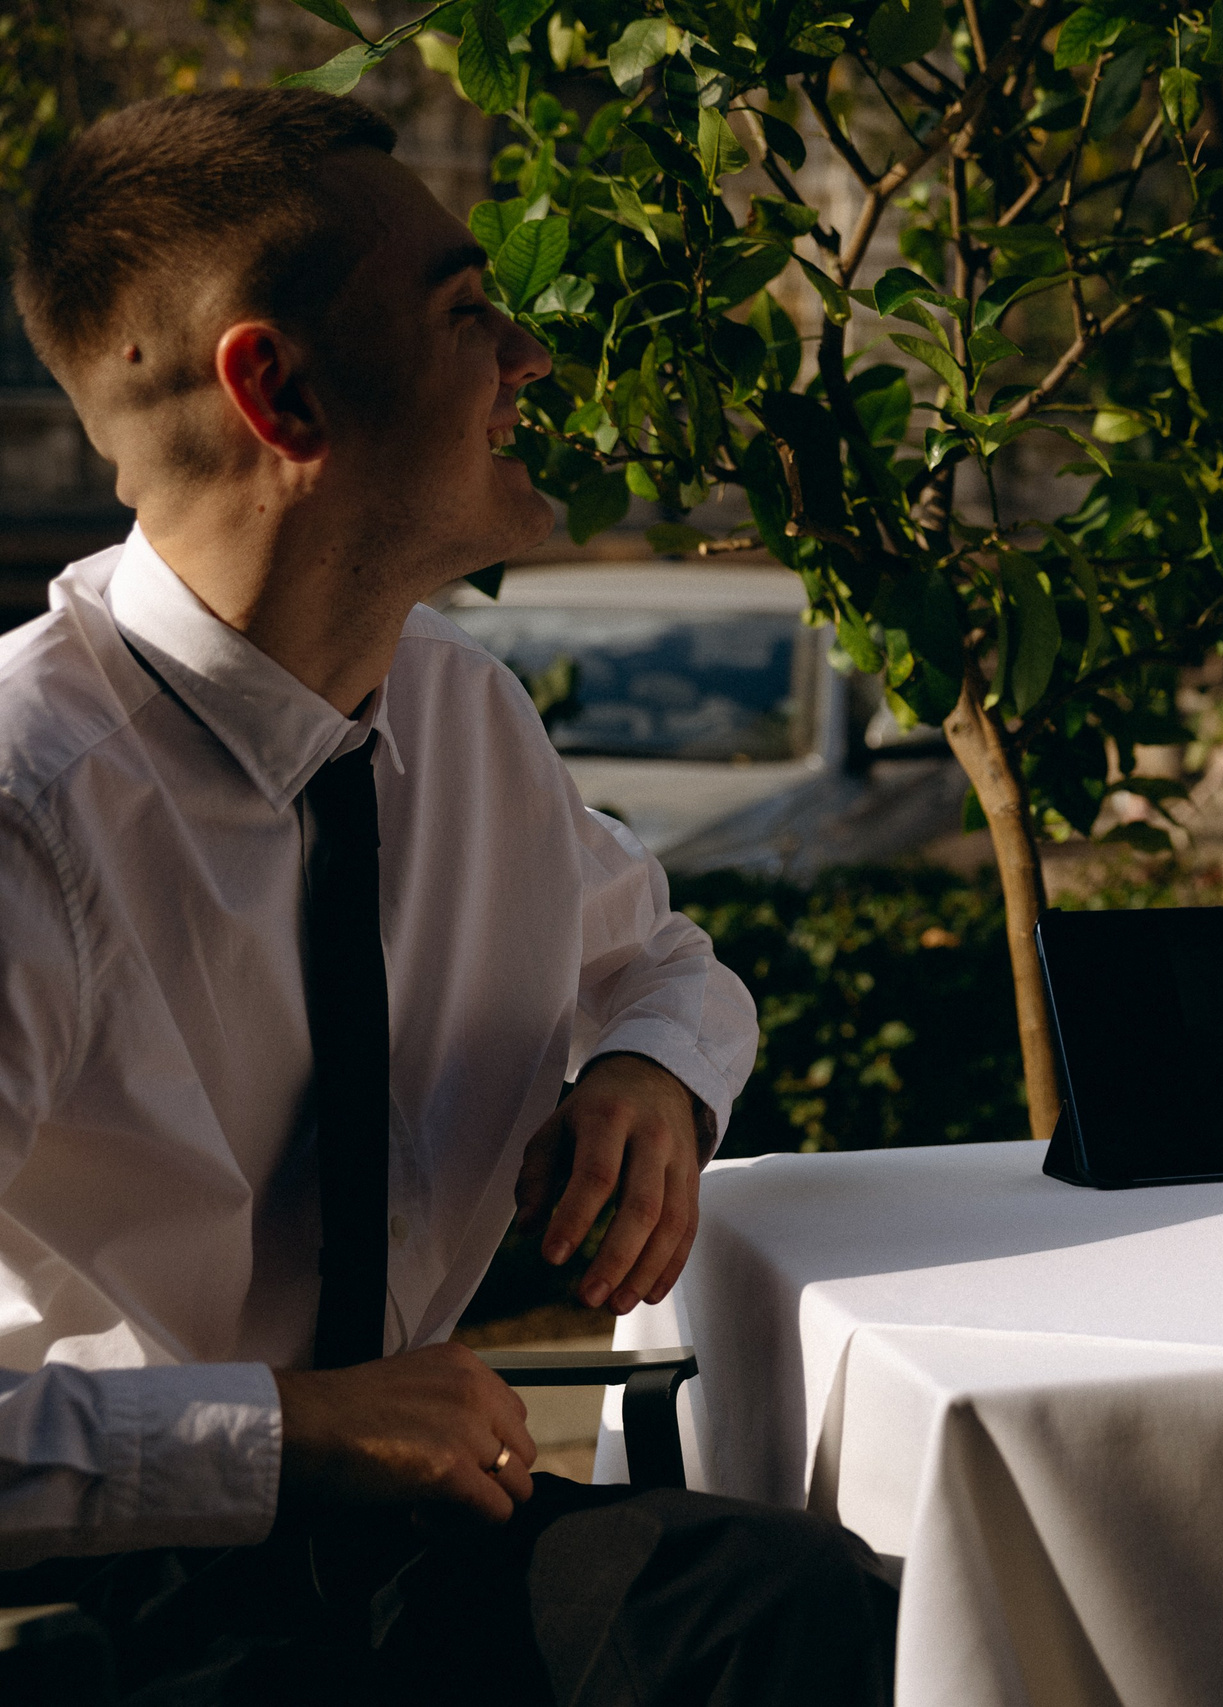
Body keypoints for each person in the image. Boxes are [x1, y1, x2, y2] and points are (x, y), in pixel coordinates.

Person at [0, 90, 895, 1702]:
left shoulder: (463, 721)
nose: (529, 358)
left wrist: (652, 1074)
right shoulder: (21, 813)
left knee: (790, 1612)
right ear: (275, 389)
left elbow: (671, 966)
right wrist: (282, 1431)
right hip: (109, 1598)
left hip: (411, 1534)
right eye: (469, 310)